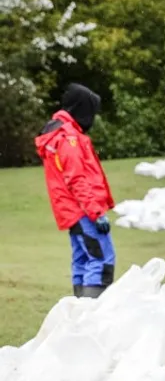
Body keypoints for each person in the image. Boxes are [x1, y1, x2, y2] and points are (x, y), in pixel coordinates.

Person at [35, 84, 116, 298]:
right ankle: (90, 315)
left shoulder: (58, 134)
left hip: (72, 212)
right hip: (83, 211)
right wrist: (96, 213)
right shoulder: (68, 138)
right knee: (101, 259)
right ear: (82, 109)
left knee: (83, 259)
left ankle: (77, 314)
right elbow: (77, 179)